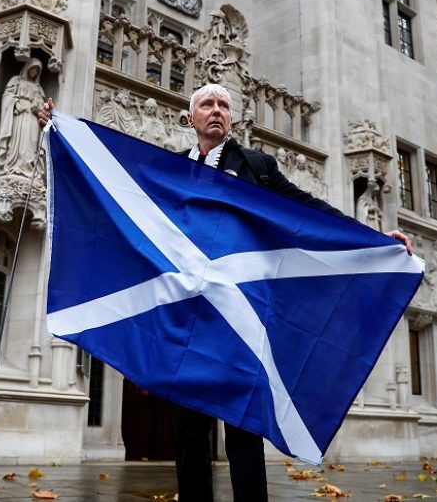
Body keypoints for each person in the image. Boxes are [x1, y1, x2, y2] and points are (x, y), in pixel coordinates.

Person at [38, 84, 412, 502]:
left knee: (243, 433)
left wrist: (373, 238)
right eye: (207, 105)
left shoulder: (256, 166)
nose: (216, 111)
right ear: (190, 117)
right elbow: (111, 181)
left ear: (231, 118)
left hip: (238, 323)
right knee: (189, 432)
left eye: (223, 106)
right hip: (187, 325)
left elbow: (308, 210)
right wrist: (61, 133)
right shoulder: (169, 169)